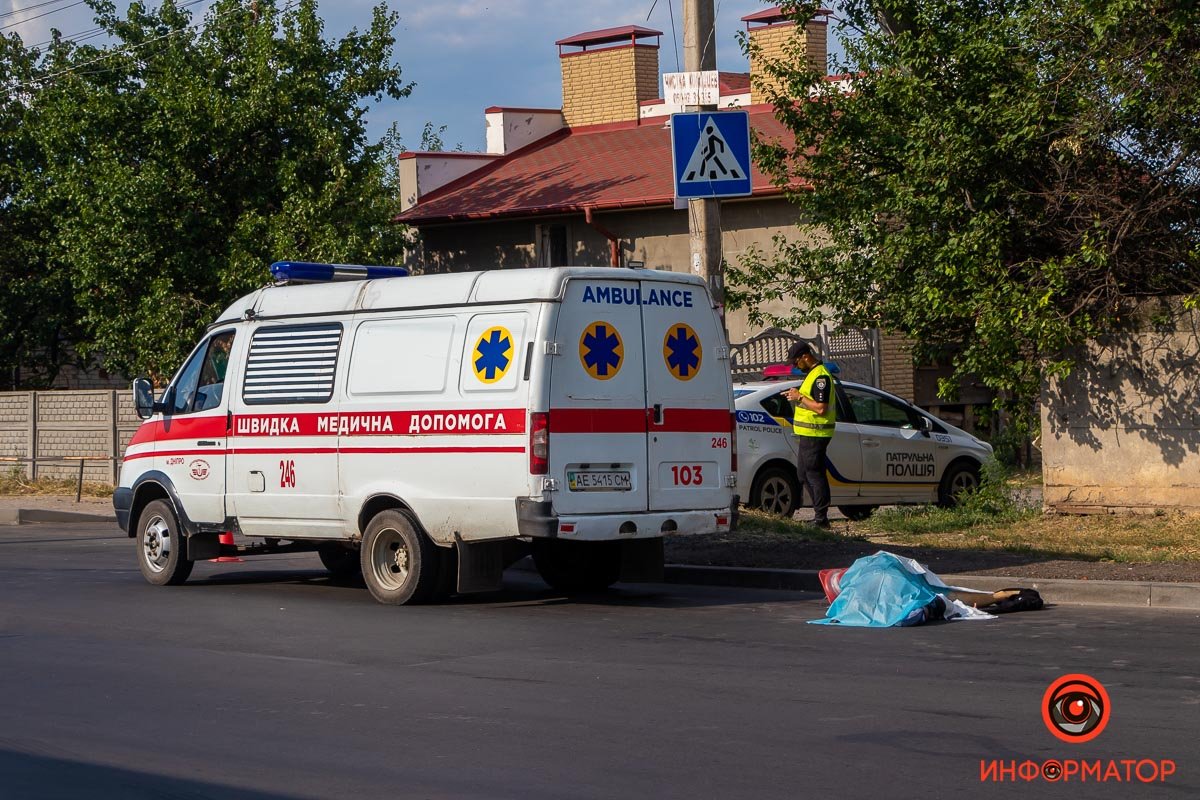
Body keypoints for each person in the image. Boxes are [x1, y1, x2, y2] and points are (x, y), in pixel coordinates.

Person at [783, 341, 836, 528]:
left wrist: (800, 397)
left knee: (813, 474)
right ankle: (820, 516)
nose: (795, 366)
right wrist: (796, 396)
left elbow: (821, 408)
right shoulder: (812, 375)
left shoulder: (821, 376)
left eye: (796, 362)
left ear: (805, 356)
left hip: (816, 432)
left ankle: (821, 519)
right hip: (809, 432)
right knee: (803, 474)